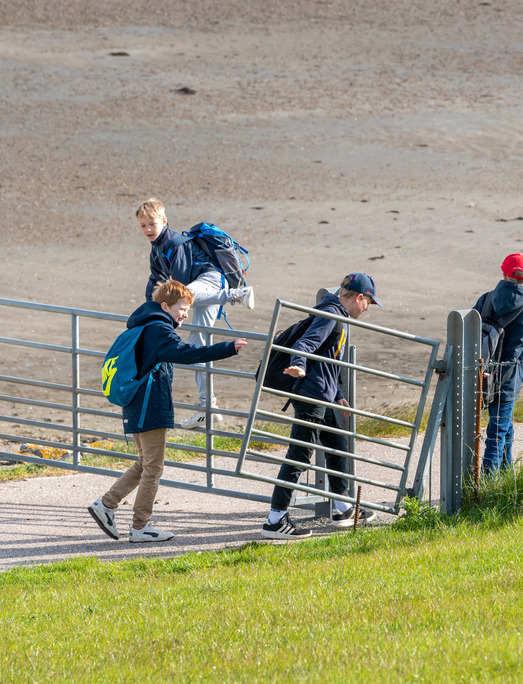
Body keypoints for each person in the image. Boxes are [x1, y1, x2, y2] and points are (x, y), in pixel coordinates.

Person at [89, 279, 247, 542]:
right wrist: (227, 348)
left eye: (187, 309)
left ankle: (106, 505)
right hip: (149, 406)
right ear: (165, 306)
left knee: (145, 463)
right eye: (182, 308)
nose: (185, 314)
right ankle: (140, 526)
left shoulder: (145, 325)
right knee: (154, 467)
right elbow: (186, 353)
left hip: (137, 403)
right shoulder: (159, 330)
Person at [261, 273, 382, 540]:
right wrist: (299, 365)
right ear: (359, 298)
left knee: (337, 445)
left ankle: (343, 508)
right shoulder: (331, 314)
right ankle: (275, 519)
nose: (367, 309)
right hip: (311, 395)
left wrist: (337, 393)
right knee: (299, 455)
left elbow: (326, 360)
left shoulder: (337, 314)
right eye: (369, 303)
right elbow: (307, 344)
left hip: (324, 395)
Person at [136, 198, 255, 429]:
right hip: (199, 293)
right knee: (197, 348)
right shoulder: (156, 252)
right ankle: (208, 407)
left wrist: (171, 317)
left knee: (182, 296)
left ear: (164, 221)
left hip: (210, 282)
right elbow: (155, 283)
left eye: (152, 224)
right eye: (143, 226)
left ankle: (235, 295)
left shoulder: (174, 243)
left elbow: (179, 290)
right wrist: (149, 310)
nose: (148, 230)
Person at [473, 253, 523, 476]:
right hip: (509, 378)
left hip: (483, 374)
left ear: (503, 274)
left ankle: (507, 475)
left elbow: (469, 330)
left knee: (502, 427)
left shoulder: (486, 299)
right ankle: (489, 485)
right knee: (497, 432)